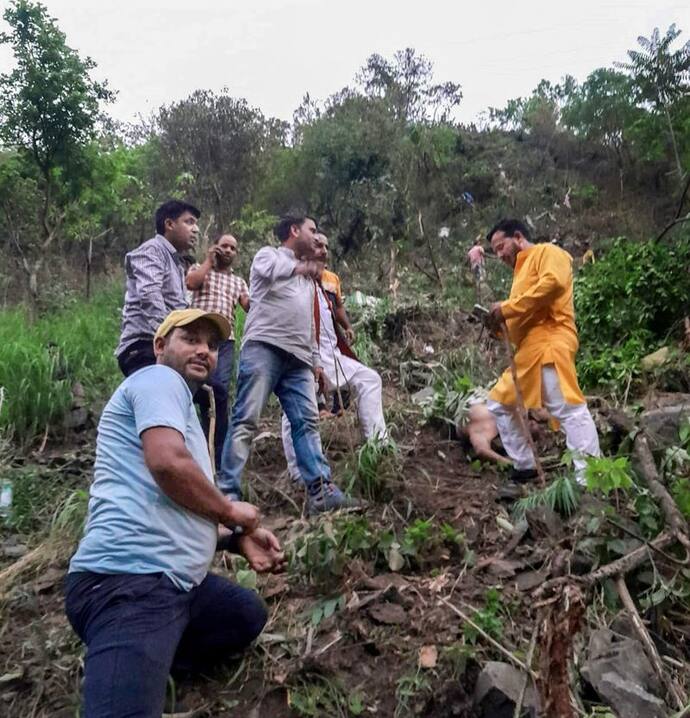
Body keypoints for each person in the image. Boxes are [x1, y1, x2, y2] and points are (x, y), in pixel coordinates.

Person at [65, 308, 284, 718]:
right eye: (191, 339)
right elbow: (167, 464)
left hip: (175, 585)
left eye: (213, 345)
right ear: (160, 346)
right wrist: (230, 511)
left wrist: (236, 541)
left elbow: (170, 508)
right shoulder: (157, 379)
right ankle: (126, 664)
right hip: (129, 584)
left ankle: (151, 661)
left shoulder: (179, 411)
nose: (204, 350)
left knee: (244, 613)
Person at [217, 214, 357, 513]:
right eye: (313, 231)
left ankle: (321, 492)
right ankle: (227, 495)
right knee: (246, 419)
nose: (318, 237)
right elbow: (271, 270)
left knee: (306, 423)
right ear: (294, 231)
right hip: (264, 348)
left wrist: (316, 362)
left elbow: (310, 323)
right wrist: (304, 266)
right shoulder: (268, 255)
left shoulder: (309, 281)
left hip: (300, 360)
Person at [486, 218, 600, 483]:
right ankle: (524, 465)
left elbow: (552, 286)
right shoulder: (519, 277)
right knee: (500, 403)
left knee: (567, 409)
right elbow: (519, 322)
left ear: (518, 237)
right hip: (529, 350)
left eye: (501, 246)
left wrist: (507, 308)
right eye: (495, 251)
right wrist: (497, 324)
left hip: (551, 341)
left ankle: (590, 479)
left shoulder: (548, 252)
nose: (500, 254)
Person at [281, 233, 387, 481]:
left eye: (326, 247)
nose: (323, 251)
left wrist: (345, 330)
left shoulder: (325, 283)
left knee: (370, 379)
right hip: (303, 355)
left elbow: (334, 313)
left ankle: (377, 446)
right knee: (296, 407)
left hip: (331, 354)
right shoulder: (291, 281)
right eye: (317, 245)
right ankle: (299, 472)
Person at [115, 200, 200, 376]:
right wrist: (172, 340)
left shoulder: (176, 262)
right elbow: (149, 295)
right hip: (143, 346)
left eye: (196, 224)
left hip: (163, 345)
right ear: (169, 224)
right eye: (189, 222)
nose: (196, 229)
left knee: (212, 391)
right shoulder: (152, 250)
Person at [186, 234, 250, 469]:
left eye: (233, 248)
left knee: (219, 390)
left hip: (224, 341)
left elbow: (249, 306)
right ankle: (193, 439)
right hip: (197, 336)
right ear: (215, 247)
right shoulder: (200, 269)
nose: (228, 250)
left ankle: (217, 450)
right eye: (224, 246)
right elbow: (192, 283)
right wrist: (208, 261)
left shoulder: (239, 282)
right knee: (195, 386)